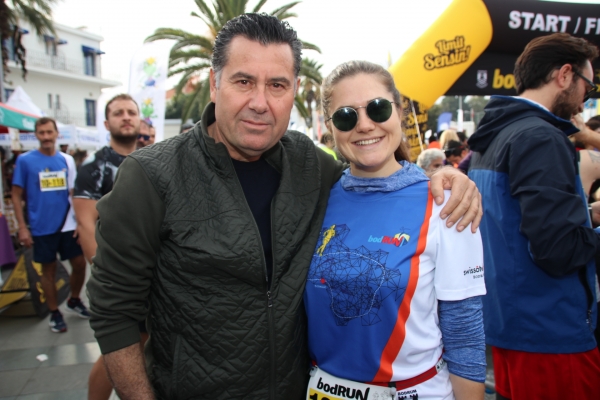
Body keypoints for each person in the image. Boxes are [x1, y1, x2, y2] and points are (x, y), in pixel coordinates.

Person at [86, 14, 481, 400]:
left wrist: (446, 178)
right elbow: (114, 312)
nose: (260, 103)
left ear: (293, 92)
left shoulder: (312, 166)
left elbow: (376, 176)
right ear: (214, 84)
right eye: (244, 81)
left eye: (277, 85)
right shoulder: (152, 175)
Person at [305, 60, 486, 400]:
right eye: (346, 116)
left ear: (399, 112)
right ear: (330, 128)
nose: (364, 125)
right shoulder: (314, 200)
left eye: (378, 108)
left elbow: (465, 333)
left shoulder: (446, 202)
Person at [468, 33, 600, 400]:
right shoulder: (540, 136)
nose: (586, 97)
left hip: (512, 324)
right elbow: (557, 249)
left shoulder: (494, 134)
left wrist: (588, 214)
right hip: (550, 329)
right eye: (589, 86)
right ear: (564, 75)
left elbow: (514, 221)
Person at [73, 93, 142, 400]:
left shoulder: (154, 160)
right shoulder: (93, 168)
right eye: (118, 113)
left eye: (131, 112)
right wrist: (104, 275)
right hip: (115, 277)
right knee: (119, 349)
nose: (126, 117)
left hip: (151, 270)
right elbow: (85, 224)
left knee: (143, 341)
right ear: (106, 123)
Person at [11, 117, 88, 333]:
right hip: (41, 226)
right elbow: (16, 195)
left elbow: (74, 193)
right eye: (41, 133)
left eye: (49, 132)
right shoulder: (25, 161)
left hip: (67, 225)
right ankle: (55, 312)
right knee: (48, 270)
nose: (46, 137)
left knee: (80, 264)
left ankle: (74, 299)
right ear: (36, 135)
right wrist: (22, 227)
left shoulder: (67, 160)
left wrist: (79, 222)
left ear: (56, 134)